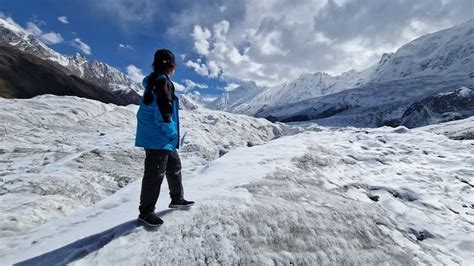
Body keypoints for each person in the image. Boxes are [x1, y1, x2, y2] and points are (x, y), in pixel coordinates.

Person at [135, 49, 194, 227]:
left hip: (159, 137)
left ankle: (177, 199)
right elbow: (163, 112)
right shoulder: (162, 82)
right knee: (154, 175)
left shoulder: (156, 80)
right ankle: (146, 213)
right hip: (159, 137)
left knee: (174, 165)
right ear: (171, 66)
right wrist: (172, 132)